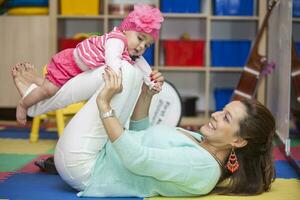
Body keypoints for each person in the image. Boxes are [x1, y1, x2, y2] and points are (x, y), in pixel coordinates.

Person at [14, 61, 275, 196]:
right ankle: (44, 96)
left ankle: (42, 98)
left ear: (239, 142)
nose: (216, 114)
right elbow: (140, 134)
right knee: (135, 72)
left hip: (87, 167)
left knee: (123, 70)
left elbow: (136, 158)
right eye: (223, 110)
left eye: (226, 118)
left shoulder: (202, 168)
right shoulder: (201, 141)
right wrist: (146, 95)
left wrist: (106, 104)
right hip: (99, 152)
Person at [12, 3, 164, 125]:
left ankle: (38, 82)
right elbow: (113, 61)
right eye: (140, 38)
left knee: (59, 89)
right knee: (49, 90)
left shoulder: (132, 52)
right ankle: (24, 104)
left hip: (79, 71)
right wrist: (117, 79)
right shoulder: (117, 40)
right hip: (68, 65)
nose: (142, 47)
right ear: (126, 30)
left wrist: (150, 82)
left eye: (147, 45)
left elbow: (144, 67)